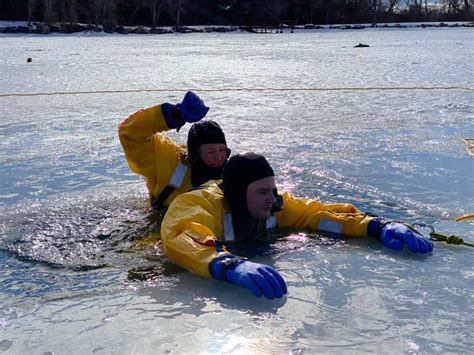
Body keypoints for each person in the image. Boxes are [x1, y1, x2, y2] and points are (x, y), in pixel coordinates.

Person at [161, 152, 434, 300]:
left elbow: (319, 215)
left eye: (273, 190)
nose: (272, 199)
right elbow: (180, 235)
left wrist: (377, 226)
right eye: (262, 192)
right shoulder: (200, 203)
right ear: (237, 192)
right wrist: (230, 265)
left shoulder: (275, 206)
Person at [118, 91, 230, 210]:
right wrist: (175, 114)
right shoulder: (167, 166)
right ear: (196, 154)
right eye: (211, 152)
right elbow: (130, 133)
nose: (218, 157)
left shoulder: (234, 174)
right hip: (163, 223)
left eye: (222, 150)